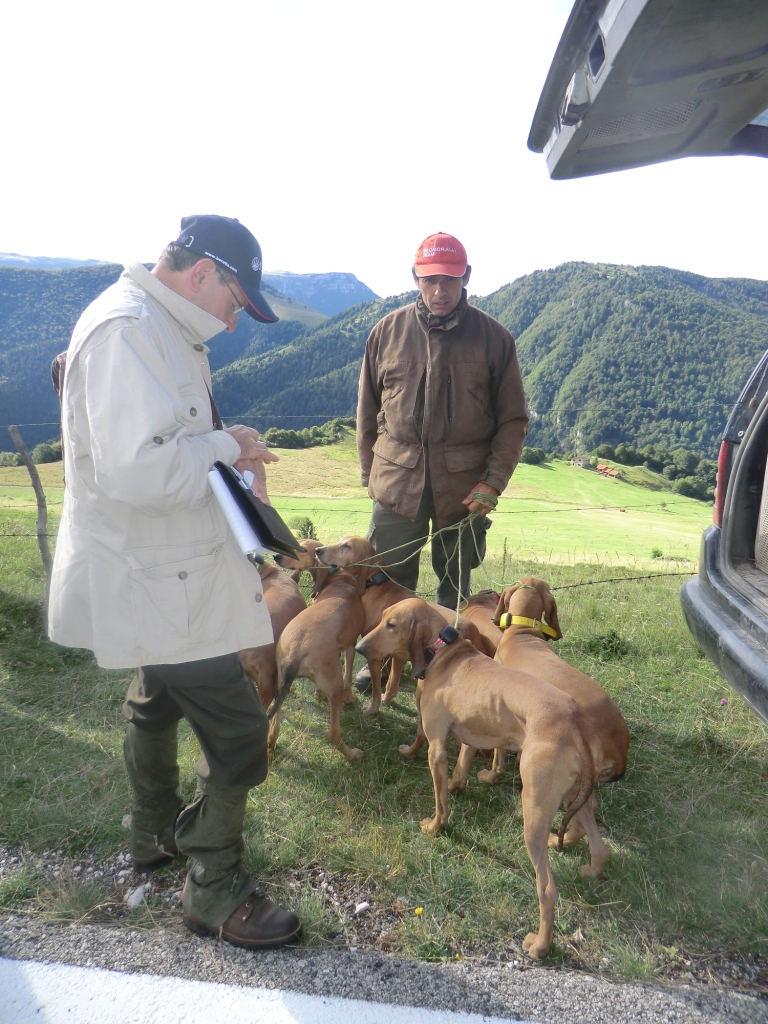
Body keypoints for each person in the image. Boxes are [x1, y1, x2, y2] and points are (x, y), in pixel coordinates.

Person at [48, 215, 301, 949]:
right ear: (203, 274)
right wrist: (227, 444)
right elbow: (142, 470)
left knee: (154, 702)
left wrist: (225, 447)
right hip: (161, 576)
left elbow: (161, 440)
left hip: (161, 570)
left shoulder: (155, 324)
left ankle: (153, 833)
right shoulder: (130, 331)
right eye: (234, 302)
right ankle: (213, 889)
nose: (233, 320)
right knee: (241, 731)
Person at [356, 231, 529, 619]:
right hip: (396, 482)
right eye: (430, 279)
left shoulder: (495, 339)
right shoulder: (386, 332)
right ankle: (386, 651)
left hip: (465, 487)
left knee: (456, 590)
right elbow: (367, 411)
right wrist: (371, 476)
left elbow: (514, 420)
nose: (439, 291)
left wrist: (492, 483)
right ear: (415, 278)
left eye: (449, 279)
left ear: (466, 276)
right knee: (386, 584)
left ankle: (446, 653)